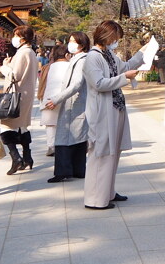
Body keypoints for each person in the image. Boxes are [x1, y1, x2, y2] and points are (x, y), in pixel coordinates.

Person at [83, 20, 143, 209]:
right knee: (101, 154)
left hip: (115, 108)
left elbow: (123, 68)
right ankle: (95, 199)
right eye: (115, 38)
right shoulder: (93, 57)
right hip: (102, 111)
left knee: (112, 153)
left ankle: (107, 192)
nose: (116, 42)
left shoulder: (108, 54)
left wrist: (143, 54)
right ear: (106, 36)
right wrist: (125, 78)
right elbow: (99, 84)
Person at [43, 32, 91, 183]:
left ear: (82, 45)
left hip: (74, 103)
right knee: (77, 137)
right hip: (75, 104)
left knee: (65, 138)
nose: (70, 43)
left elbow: (76, 84)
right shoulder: (78, 59)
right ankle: (77, 170)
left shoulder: (81, 60)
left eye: (73, 41)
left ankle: (63, 171)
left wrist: (57, 98)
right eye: (70, 40)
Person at [0, 25, 39, 175]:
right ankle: (27, 156)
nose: (14, 39)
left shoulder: (23, 53)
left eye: (16, 35)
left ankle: (16, 157)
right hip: (26, 94)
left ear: (22, 38)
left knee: (6, 126)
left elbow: (14, 76)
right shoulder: (31, 53)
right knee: (22, 126)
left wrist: (4, 67)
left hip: (16, 95)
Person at [38, 44, 70, 156]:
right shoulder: (71, 66)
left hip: (49, 97)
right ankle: (64, 145)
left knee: (51, 125)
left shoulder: (49, 66)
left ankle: (51, 146)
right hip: (64, 97)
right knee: (66, 124)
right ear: (67, 55)